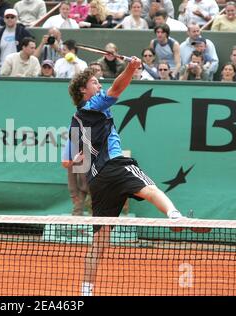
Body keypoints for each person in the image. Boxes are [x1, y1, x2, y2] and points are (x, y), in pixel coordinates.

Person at [63, 60, 184, 297]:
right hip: (115, 165)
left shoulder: (74, 122)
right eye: (94, 82)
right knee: (149, 189)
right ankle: (175, 215)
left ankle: (86, 291)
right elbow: (117, 89)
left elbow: (67, 161)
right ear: (83, 91)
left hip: (97, 180)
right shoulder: (94, 104)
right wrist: (132, 68)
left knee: (98, 243)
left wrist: (79, 157)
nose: (99, 85)